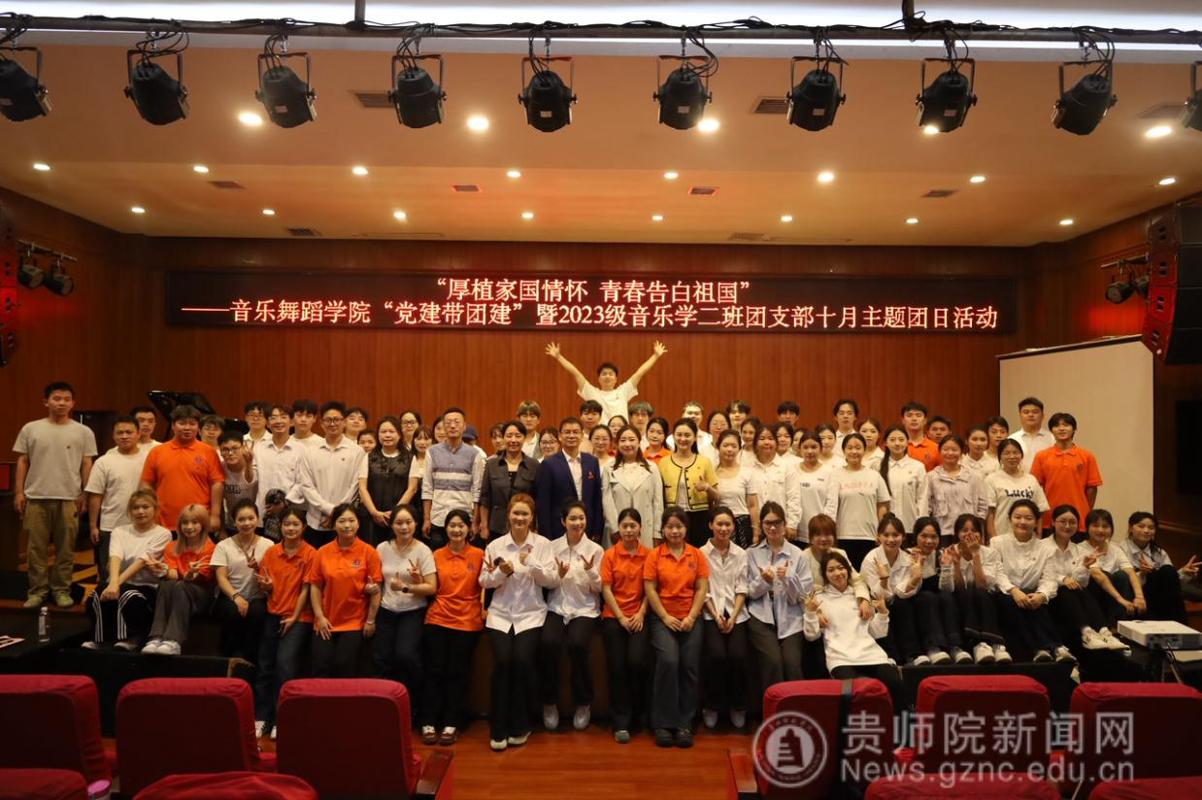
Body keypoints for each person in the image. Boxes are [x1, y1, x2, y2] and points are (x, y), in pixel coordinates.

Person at [479, 493, 556, 751]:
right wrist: (501, 573)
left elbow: (551, 581)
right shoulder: (495, 545)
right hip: (500, 615)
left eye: (525, 514)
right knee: (503, 663)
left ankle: (521, 724)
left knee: (522, 662)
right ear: (508, 515)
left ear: (532, 518)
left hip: (531, 615)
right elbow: (484, 581)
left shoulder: (543, 545)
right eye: (516, 513)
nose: (520, 518)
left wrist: (531, 563)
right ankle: (498, 727)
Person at [14, 381, 98, 608]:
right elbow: (22, 461)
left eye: (66, 399)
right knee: (36, 549)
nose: (62, 403)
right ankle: (37, 591)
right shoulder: (31, 428)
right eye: (56, 398)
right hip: (36, 497)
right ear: (46, 402)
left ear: (73, 403)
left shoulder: (83, 432)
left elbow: (87, 463)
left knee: (66, 549)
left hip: (69, 498)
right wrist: (19, 492)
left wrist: (85, 493)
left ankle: (61, 590)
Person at [644, 507, 710, 749]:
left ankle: (684, 723)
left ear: (686, 528)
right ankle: (663, 723)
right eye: (670, 527)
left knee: (689, 666)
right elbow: (650, 589)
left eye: (679, 526)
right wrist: (665, 616)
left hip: (690, 617)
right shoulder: (655, 555)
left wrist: (692, 616)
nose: (674, 531)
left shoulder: (696, 554)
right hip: (663, 619)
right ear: (663, 529)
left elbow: (701, 588)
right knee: (669, 662)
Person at [421, 508, 484, 745]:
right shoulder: (436, 554)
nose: (456, 530)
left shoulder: (479, 554)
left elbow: (485, 586)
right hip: (438, 616)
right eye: (452, 526)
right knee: (434, 669)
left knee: (458, 672)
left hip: (467, 619)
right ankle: (428, 720)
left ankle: (452, 722)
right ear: (445, 528)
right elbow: (430, 587)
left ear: (469, 529)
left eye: (461, 526)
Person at [804, 552, 901, 707]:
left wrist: (882, 613)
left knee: (894, 683)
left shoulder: (861, 597)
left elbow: (877, 633)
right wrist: (810, 613)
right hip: (840, 659)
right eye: (831, 570)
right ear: (824, 575)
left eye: (841, 568)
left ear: (848, 570)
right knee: (852, 694)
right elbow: (811, 636)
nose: (837, 573)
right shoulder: (819, 599)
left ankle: (897, 722)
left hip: (871, 655)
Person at [541, 501, 605, 732]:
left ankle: (583, 702)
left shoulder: (596, 550)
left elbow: (600, 588)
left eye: (581, 518)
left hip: (584, 608)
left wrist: (591, 571)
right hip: (557, 606)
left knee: (578, 645)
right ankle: (549, 702)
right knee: (548, 643)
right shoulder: (552, 547)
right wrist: (557, 575)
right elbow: (547, 584)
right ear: (563, 521)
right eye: (572, 519)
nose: (577, 523)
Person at [254, 504, 315, 740]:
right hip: (273, 613)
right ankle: (261, 717)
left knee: (285, 666)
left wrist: (295, 617)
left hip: (299, 617)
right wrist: (266, 587)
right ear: (280, 527)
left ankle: (282, 719)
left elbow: (307, 590)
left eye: (295, 524)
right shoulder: (271, 552)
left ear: (304, 527)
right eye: (287, 524)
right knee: (265, 665)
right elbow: (264, 586)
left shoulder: (311, 554)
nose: (290, 528)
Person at [85, 488, 171, 650]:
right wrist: (112, 583)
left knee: (127, 596)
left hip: (145, 587)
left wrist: (116, 584)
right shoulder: (119, 531)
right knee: (96, 595)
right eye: (136, 508)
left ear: (155, 509)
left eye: (145, 507)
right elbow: (115, 557)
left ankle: (133, 638)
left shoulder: (163, 534)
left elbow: (142, 561)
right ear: (130, 511)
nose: (140, 511)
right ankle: (100, 639)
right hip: (118, 582)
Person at [992, 500, 1075, 663]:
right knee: (1011, 603)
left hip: (1032, 594)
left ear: (1037, 522)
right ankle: (1046, 647)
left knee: (1037, 604)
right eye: (1018, 517)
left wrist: (1042, 595)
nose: (1022, 522)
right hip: (1005, 593)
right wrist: (1013, 590)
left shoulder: (1046, 548)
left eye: (1028, 518)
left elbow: (1049, 578)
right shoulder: (997, 543)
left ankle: (1053, 649)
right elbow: (996, 573)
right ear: (1009, 519)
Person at [308, 503, 383, 677]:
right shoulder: (322, 552)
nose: (347, 525)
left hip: (354, 621)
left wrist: (370, 620)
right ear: (334, 524)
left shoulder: (369, 552)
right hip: (326, 620)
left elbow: (376, 589)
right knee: (321, 665)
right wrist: (319, 617)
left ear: (358, 524)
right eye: (342, 521)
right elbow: (315, 586)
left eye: (351, 520)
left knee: (343, 666)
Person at [746, 502, 812, 695]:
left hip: (791, 617)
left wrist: (789, 578)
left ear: (784, 524)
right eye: (768, 523)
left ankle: (797, 707)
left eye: (777, 523)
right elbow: (749, 592)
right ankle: (773, 706)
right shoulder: (751, 553)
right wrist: (764, 582)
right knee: (772, 661)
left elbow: (802, 596)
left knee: (792, 663)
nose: (773, 528)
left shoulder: (798, 554)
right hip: (760, 616)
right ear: (761, 525)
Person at [1043, 505, 1126, 654]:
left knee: (1080, 589)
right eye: (1063, 521)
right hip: (1050, 596)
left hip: (1072, 597)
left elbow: (1081, 582)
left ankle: (1104, 631)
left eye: (1072, 522)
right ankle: (1087, 633)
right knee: (1066, 589)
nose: (1067, 526)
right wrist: (1063, 579)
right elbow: (1040, 574)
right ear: (1053, 522)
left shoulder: (1079, 550)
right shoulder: (1041, 546)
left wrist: (1085, 567)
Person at [600, 508, 651, 744]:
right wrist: (620, 617)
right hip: (614, 616)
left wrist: (641, 613)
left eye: (633, 526)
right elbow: (606, 589)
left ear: (640, 528)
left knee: (637, 662)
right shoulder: (610, 554)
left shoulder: (649, 555)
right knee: (617, 667)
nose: (629, 530)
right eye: (625, 526)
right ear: (618, 529)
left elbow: (651, 589)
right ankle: (620, 721)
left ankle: (639, 713)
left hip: (639, 615)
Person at [375, 504, 437, 694]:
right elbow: (376, 580)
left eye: (408, 522)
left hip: (412, 612)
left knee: (406, 656)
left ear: (416, 523)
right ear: (392, 525)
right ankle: (384, 701)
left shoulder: (423, 550)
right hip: (386, 610)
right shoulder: (382, 548)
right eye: (399, 523)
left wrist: (406, 587)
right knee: (382, 658)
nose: (404, 527)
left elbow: (431, 587)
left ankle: (411, 702)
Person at [142, 504, 217, 656]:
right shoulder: (171, 547)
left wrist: (190, 575)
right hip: (180, 588)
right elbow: (173, 575)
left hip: (202, 595)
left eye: (194, 522)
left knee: (181, 586)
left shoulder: (211, 548)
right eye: (185, 523)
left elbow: (200, 578)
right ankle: (156, 637)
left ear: (203, 525)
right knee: (166, 584)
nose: (189, 527)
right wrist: (162, 570)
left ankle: (173, 640)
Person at [699, 507, 750, 731]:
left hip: (737, 613)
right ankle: (711, 706)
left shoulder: (741, 553)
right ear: (711, 525)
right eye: (719, 524)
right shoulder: (700, 553)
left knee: (739, 657)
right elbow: (702, 589)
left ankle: (738, 706)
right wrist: (716, 615)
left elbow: (742, 588)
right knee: (716, 656)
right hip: (710, 612)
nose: (723, 528)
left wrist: (733, 616)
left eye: (728, 524)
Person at [139, 404, 223, 537]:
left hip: (199, 522)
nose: (187, 427)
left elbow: (217, 484)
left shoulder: (209, 452)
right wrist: (151, 513)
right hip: (163, 524)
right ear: (173, 425)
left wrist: (215, 516)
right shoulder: (157, 452)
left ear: (198, 427)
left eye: (192, 423)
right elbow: (146, 484)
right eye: (182, 423)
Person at [86, 416, 150, 587]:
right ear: (113, 436)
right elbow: (95, 495)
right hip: (111, 526)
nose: (124, 436)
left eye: (129, 432)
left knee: (139, 575)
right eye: (119, 433)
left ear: (138, 434)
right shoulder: (104, 461)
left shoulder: (150, 458)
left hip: (143, 526)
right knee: (108, 575)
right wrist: (93, 525)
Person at [298, 402, 367, 548]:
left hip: (345, 522)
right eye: (328, 420)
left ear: (344, 422)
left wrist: (337, 513)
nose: (332, 423)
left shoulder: (357, 451)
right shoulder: (310, 451)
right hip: (315, 521)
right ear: (321, 423)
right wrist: (329, 510)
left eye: (337, 419)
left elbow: (355, 486)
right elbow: (306, 486)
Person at [546, 341, 667, 424]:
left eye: (611, 374)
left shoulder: (623, 391)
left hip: (621, 436)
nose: (607, 376)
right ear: (599, 379)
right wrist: (558, 357)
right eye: (604, 374)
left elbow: (640, 372)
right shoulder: (592, 392)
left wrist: (656, 356)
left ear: (616, 379)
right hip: (600, 437)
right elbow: (576, 373)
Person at [212, 499, 274, 662]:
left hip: (258, 597)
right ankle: (227, 658)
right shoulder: (223, 546)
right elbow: (221, 578)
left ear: (257, 519)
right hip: (229, 597)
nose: (247, 523)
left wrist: (258, 569)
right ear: (234, 522)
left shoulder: (269, 545)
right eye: (241, 519)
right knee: (233, 613)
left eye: (251, 518)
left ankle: (250, 661)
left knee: (257, 613)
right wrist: (236, 597)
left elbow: (271, 576)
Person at [861, 514, 927, 666]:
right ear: (878, 537)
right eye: (886, 535)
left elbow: (903, 592)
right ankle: (888, 655)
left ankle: (913, 654)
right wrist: (884, 580)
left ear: (903, 537)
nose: (891, 539)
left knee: (904, 604)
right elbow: (878, 595)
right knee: (884, 607)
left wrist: (915, 579)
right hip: (876, 602)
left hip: (899, 601)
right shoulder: (870, 559)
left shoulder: (908, 558)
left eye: (895, 535)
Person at [944, 513, 1010, 663]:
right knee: (967, 594)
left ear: (980, 534)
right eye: (964, 530)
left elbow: (982, 584)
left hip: (984, 596)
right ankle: (978, 643)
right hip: (961, 597)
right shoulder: (949, 551)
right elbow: (958, 588)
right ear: (957, 533)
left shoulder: (990, 553)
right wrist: (956, 564)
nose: (969, 534)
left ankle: (996, 645)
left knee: (981, 593)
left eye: (974, 530)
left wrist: (976, 555)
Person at [908, 517, 972, 663]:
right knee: (928, 597)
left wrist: (947, 567)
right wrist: (918, 567)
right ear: (915, 536)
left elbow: (948, 589)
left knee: (946, 597)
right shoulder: (907, 555)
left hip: (937, 601)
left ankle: (955, 647)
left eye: (934, 537)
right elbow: (907, 589)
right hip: (916, 601)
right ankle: (933, 648)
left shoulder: (941, 554)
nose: (929, 541)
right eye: (924, 536)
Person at [422, 407, 486, 551]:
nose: (452, 426)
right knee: (438, 558)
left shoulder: (474, 454)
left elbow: (477, 491)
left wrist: (475, 522)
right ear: (443, 427)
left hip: (464, 519)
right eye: (448, 423)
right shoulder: (431, 452)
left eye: (456, 422)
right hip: (438, 518)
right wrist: (426, 519)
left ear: (464, 426)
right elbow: (427, 488)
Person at [822, 434, 891, 566]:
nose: (854, 451)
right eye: (850, 448)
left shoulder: (874, 475)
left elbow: (882, 506)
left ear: (864, 450)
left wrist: (881, 532)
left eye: (858, 448)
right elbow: (830, 506)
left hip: (870, 536)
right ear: (843, 451)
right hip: (843, 535)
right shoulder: (835, 475)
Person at [1122, 511, 1200, 624]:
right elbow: (1120, 581)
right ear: (1130, 528)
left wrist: (1184, 572)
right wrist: (1142, 574)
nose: (1146, 531)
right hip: (1135, 594)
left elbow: (1170, 580)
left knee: (1168, 570)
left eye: (1151, 528)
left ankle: (1179, 624)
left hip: (1160, 595)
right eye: (1141, 526)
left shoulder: (1158, 552)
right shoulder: (1121, 549)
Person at [534, 417, 604, 541]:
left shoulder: (592, 461)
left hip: (587, 528)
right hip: (558, 530)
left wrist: (597, 530)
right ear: (560, 436)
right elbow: (543, 503)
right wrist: (546, 536)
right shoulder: (549, 464)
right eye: (567, 432)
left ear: (582, 436)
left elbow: (597, 499)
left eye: (575, 432)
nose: (571, 436)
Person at [1030, 413, 1103, 532]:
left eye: (1066, 425)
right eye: (1057, 426)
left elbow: (1092, 488)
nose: (1061, 428)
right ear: (1051, 430)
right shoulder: (1041, 456)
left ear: (1074, 429)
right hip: (1049, 519)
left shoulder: (1087, 456)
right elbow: (1035, 488)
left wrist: (1086, 512)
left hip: (1079, 520)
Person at [657, 418, 720, 548]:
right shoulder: (663, 462)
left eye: (687, 435)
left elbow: (717, 496)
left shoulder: (704, 462)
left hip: (700, 517)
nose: (683, 439)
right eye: (679, 435)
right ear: (673, 437)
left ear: (695, 438)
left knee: (699, 553)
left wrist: (707, 488)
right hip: (672, 517)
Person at [1082, 509, 1145, 629]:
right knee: (1105, 575)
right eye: (1095, 525)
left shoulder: (1115, 548)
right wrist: (1121, 600)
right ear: (1087, 528)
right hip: (1094, 595)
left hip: (1115, 597)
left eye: (1105, 526)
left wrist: (1139, 597)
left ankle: (1121, 624)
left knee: (1122, 576)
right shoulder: (1080, 548)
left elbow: (1130, 571)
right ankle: (1107, 624)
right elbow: (1097, 575)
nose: (1100, 530)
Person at [479, 420, 540, 544]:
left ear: (524, 438)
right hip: (496, 525)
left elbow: (537, 499)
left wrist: (535, 526)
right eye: (509, 436)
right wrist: (484, 525)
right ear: (503, 438)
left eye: (518, 436)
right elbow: (485, 498)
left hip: (524, 524)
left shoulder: (534, 465)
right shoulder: (491, 464)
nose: (513, 440)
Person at [602, 426, 664, 547]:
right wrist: (615, 529)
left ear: (639, 442)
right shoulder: (609, 468)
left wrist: (657, 533)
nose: (627, 444)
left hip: (645, 528)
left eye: (631, 439)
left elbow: (658, 503)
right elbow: (607, 501)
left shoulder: (651, 468)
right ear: (617, 443)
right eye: (623, 440)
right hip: (618, 531)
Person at [359, 416, 413, 546]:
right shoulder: (368, 457)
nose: (387, 435)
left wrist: (395, 513)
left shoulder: (410, 458)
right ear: (378, 435)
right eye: (383, 432)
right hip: (371, 516)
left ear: (399, 435)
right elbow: (362, 488)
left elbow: (412, 489)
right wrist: (374, 512)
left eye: (391, 431)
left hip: (399, 518)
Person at [925, 435, 988, 547]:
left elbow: (982, 505)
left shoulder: (974, 476)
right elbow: (926, 506)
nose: (950, 453)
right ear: (939, 451)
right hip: (942, 531)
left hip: (968, 532)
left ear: (961, 451)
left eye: (954, 450)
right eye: (945, 449)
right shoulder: (931, 477)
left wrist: (976, 527)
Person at [984, 438, 1050, 540]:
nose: (1012, 456)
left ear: (1021, 455)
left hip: (1029, 538)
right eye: (1007, 453)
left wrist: (1039, 535)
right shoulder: (991, 479)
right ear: (1000, 456)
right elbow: (990, 513)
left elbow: (1040, 510)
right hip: (1002, 537)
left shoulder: (1031, 480)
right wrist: (993, 538)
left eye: (1015, 452)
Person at [747, 424, 802, 541]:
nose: (766, 442)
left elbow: (794, 498)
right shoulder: (747, 468)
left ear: (776, 443)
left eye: (770, 438)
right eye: (762, 439)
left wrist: (792, 525)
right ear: (755, 443)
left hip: (780, 526)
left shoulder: (787, 467)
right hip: (754, 527)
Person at [254, 404, 304, 520]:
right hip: (262, 512)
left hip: (290, 514)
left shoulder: (301, 450)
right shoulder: (258, 448)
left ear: (291, 422)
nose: (278, 421)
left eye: (283, 417)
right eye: (273, 418)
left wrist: (284, 503)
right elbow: (253, 481)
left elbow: (302, 482)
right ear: (267, 423)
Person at [712, 430, 759, 549]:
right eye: (725, 445)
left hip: (742, 525)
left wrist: (756, 531)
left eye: (734, 446)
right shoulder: (711, 472)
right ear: (718, 447)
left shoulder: (747, 473)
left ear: (739, 449)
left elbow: (753, 505)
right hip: (719, 526)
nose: (729, 449)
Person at [879, 424, 927, 533]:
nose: (897, 443)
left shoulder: (917, 467)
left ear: (907, 442)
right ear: (886, 443)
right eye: (892, 440)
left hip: (910, 526)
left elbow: (922, 499)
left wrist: (920, 525)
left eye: (901, 439)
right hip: (885, 528)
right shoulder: (877, 466)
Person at [217, 431, 258, 535]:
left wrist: (248, 463)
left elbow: (249, 481)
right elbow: (218, 501)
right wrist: (222, 529)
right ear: (220, 451)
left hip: (254, 522)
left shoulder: (253, 463)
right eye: (225, 449)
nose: (230, 453)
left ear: (243, 448)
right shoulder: (219, 468)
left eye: (235, 448)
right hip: (231, 522)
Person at [795, 431, 830, 542]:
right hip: (796, 531)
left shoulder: (829, 472)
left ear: (821, 448)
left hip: (820, 532)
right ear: (799, 449)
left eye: (814, 447)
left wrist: (825, 529)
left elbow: (831, 505)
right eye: (805, 447)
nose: (810, 451)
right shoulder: (792, 470)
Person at [399, 425, 434, 534]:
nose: (422, 442)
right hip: (410, 504)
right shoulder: (406, 459)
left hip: (431, 506)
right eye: (419, 438)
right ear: (413, 440)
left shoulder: (436, 460)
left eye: (426, 439)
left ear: (432, 441)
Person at [1014, 397, 1055, 472]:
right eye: (1026, 412)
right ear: (1020, 415)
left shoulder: (1052, 438)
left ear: (1043, 415)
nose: (1030, 415)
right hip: (1019, 479)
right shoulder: (1013, 439)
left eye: (1035, 412)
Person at [901, 401, 939, 471]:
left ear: (925, 420)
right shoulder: (896, 446)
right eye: (909, 415)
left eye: (918, 415)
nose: (914, 419)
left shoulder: (936, 448)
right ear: (903, 420)